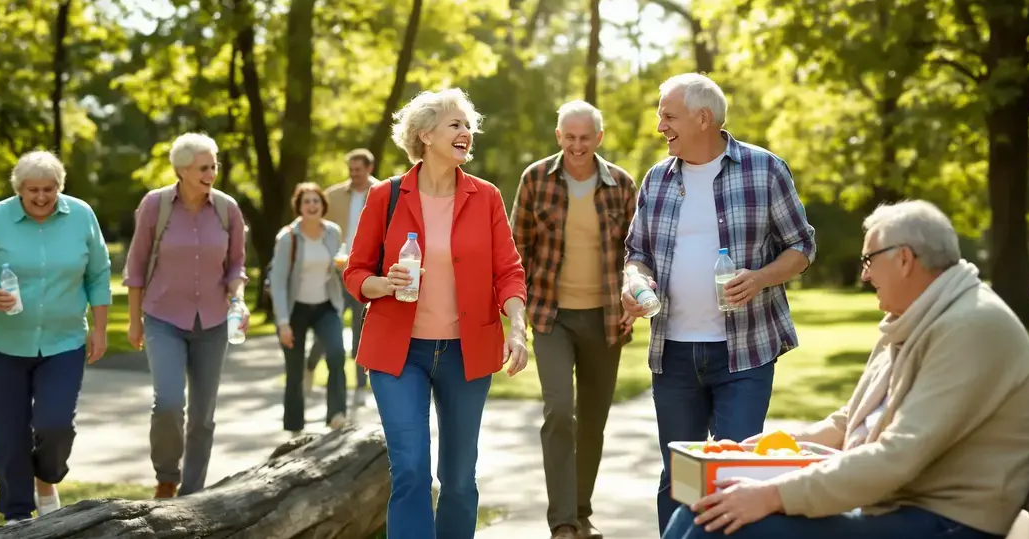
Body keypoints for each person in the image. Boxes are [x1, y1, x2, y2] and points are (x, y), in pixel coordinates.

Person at [662, 200, 1029, 539]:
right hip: (901, 504)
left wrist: (770, 495)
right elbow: (852, 422)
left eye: (869, 260)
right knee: (701, 509)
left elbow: (898, 455)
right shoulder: (920, 316)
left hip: (945, 521)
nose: (864, 275)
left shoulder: (970, 327)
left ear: (904, 259)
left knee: (717, 524)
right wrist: (773, 449)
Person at [621, 73, 817, 533]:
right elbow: (638, 254)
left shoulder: (765, 169)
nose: (659, 126)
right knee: (678, 478)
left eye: (668, 116)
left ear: (702, 118)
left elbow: (801, 248)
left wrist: (760, 278)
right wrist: (634, 283)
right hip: (673, 353)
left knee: (734, 476)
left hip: (745, 353)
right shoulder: (657, 179)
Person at [343, 88, 530, 539]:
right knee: (410, 470)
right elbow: (355, 272)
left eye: (468, 126)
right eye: (455, 124)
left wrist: (518, 327)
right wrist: (381, 285)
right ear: (425, 135)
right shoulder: (385, 195)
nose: (466, 132)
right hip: (398, 353)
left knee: (460, 480)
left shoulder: (485, 197)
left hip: (467, 353)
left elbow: (509, 271)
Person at [0, 150, 112, 525]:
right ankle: (16, 514)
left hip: (64, 341)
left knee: (55, 424)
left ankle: (47, 480)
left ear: (60, 187)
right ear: (18, 190)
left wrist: (101, 328)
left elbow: (98, 274)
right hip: (2, 342)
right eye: (33, 191)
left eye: (49, 189)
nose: (42, 197)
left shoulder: (81, 216)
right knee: (8, 430)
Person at [509, 100, 637, 539]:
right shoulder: (534, 180)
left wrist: (632, 302)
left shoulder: (621, 183)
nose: (577, 145)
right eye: (570, 137)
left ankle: (581, 512)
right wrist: (514, 315)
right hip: (551, 316)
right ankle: (562, 521)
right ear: (559, 136)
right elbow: (516, 251)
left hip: (605, 317)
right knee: (560, 411)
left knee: (594, 420)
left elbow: (635, 255)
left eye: (586, 138)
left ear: (598, 138)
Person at [122, 132, 249, 499]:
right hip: (163, 317)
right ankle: (166, 476)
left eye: (214, 165)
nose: (212, 172)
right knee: (168, 403)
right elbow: (136, 263)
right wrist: (134, 320)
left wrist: (237, 297)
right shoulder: (155, 205)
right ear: (181, 170)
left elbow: (236, 262)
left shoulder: (227, 209)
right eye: (203, 167)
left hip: (212, 321)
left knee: (203, 415)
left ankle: (192, 493)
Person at [268, 182, 349, 434]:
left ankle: (336, 415)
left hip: (326, 306)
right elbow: (279, 283)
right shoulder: (287, 238)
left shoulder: (332, 232)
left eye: (316, 201)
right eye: (307, 201)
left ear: (323, 205)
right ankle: (294, 427)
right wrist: (283, 322)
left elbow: (340, 261)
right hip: (295, 310)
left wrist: (342, 266)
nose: (312, 205)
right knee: (294, 370)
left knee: (336, 354)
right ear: (299, 207)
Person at [317, 148, 380, 404]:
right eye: (350, 169)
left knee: (360, 330)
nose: (353, 174)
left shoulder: (383, 193)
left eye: (358, 169)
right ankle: (311, 367)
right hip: (336, 272)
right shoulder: (332, 197)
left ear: (369, 169)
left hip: (366, 273)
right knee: (326, 324)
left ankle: (360, 388)